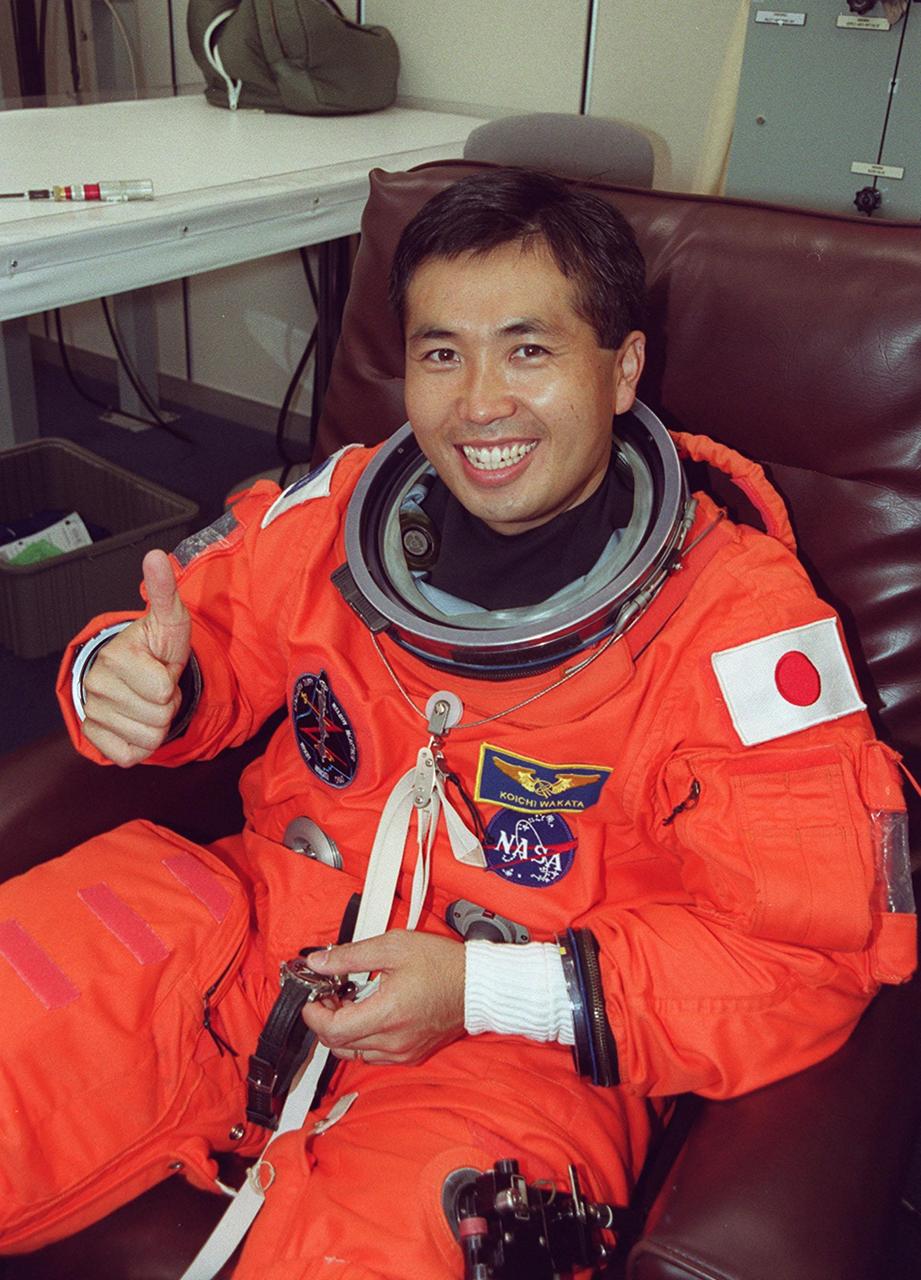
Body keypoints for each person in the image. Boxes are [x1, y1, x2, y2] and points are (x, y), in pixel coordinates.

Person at [0, 169, 914, 1279]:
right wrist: (129, 680)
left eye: (529, 349)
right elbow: (200, 629)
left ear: (622, 368)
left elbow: (808, 953)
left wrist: (483, 989)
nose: (479, 401)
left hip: (518, 1043)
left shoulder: (741, 623)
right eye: (442, 352)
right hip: (242, 933)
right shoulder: (339, 511)